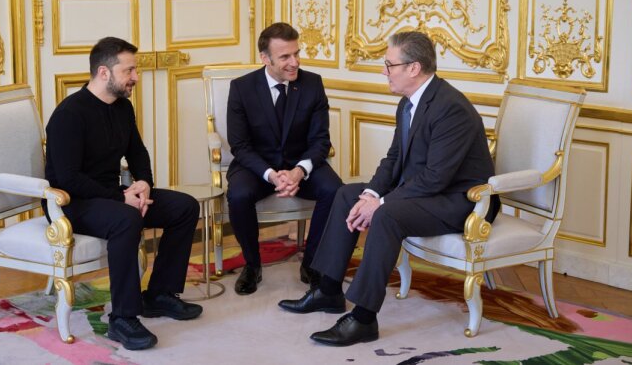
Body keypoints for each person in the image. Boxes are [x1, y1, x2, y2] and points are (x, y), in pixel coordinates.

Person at [278, 31, 499, 346]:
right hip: (428, 192)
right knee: (346, 195)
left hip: (461, 202)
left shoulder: (451, 109)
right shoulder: (409, 102)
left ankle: (364, 319)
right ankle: (328, 291)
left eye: (388, 64)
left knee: (387, 215)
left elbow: (435, 178)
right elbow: (394, 159)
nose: (384, 71)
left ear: (413, 68)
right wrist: (370, 194)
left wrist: (380, 204)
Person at [45, 37, 202, 351]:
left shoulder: (122, 108)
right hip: (71, 203)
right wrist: (121, 199)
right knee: (127, 218)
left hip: (113, 196)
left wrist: (143, 183)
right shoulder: (69, 115)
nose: (135, 77)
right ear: (104, 73)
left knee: (184, 207)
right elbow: (67, 178)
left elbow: (138, 152)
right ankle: (122, 319)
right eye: (129, 70)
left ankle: (159, 295)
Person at [226, 22, 343, 295]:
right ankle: (252, 265)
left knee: (335, 190)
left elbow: (320, 141)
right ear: (265, 58)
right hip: (257, 167)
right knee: (239, 194)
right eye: (285, 57)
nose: (295, 62)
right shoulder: (242, 88)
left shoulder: (312, 84)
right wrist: (271, 174)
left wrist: (299, 172)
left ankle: (312, 263)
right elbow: (240, 146)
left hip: (301, 165)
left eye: (296, 53)